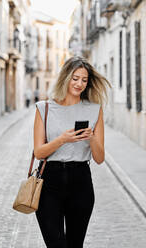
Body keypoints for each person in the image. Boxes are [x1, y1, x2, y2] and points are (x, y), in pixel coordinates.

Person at [33, 56, 111, 248]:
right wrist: (62, 140)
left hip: (81, 182)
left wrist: (91, 137)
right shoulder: (44, 108)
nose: (79, 84)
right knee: (56, 244)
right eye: (75, 78)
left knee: (75, 245)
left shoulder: (94, 110)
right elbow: (39, 152)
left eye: (84, 80)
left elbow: (99, 158)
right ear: (66, 77)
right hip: (50, 182)